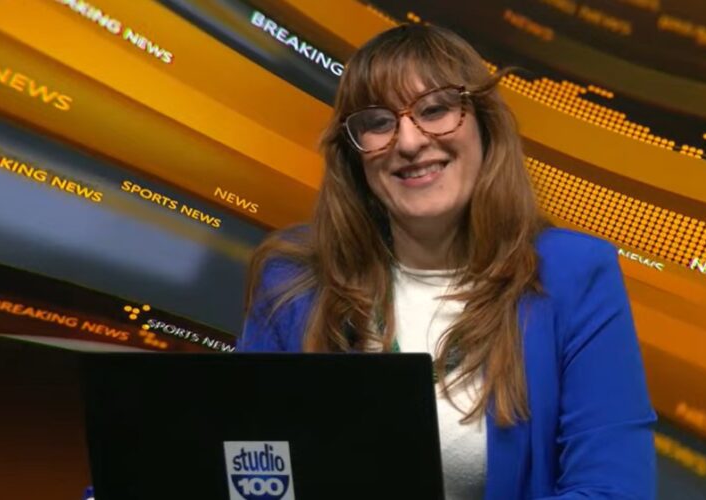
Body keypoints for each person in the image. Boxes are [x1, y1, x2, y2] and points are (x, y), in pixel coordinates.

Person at [239, 23, 657, 499]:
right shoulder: (291, 280)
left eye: (435, 110)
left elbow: (613, 489)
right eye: (377, 122)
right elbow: (247, 471)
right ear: (354, 156)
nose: (409, 142)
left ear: (484, 125)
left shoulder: (575, 274)